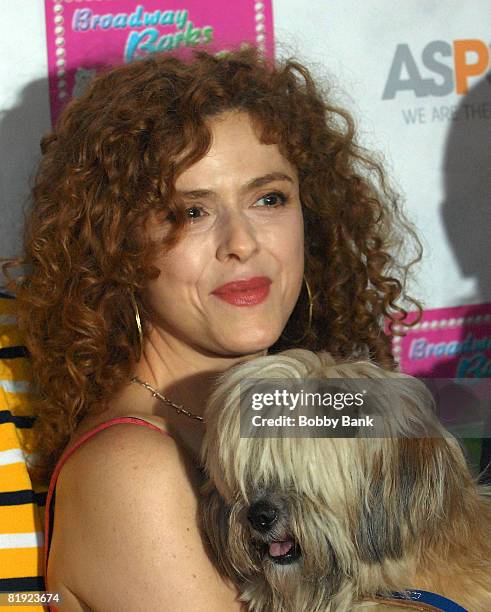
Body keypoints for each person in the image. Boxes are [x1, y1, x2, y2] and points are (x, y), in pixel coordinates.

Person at [1, 45, 421, 610]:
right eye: (191, 212)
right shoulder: (136, 472)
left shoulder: (307, 415)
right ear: (118, 245)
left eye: (269, 198)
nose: (242, 243)